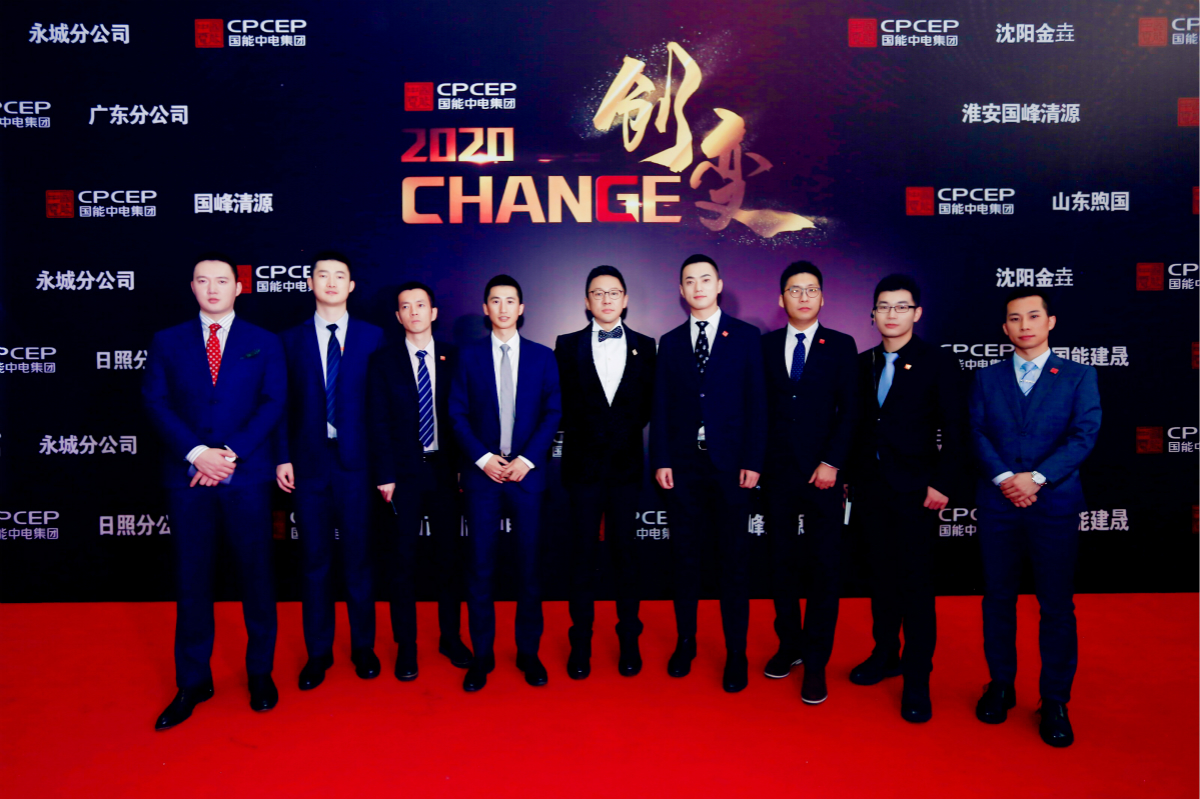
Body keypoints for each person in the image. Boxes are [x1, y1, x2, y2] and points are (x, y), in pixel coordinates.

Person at [143, 253, 286, 730]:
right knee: (192, 581)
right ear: (192, 287)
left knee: (257, 579)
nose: (212, 288)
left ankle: (260, 673)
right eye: (202, 280)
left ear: (238, 287)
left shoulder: (264, 341)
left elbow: (273, 403)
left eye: (221, 281)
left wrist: (228, 454)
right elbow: (155, 402)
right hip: (187, 477)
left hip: (245, 477)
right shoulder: (167, 341)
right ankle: (192, 682)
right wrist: (196, 453)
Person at [970, 288, 1100, 747]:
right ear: (1004, 328)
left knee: (1056, 606)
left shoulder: (1079, 375)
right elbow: (976, 431)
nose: (1024, 325)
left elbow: (1084, 435)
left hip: (1055, 506)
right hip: (998, 503)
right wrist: (1007, 478)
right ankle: (1000, 684)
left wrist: (1038, 478)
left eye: (1033, 316)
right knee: (997, 599)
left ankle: (1055, 700)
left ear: (1050, 322)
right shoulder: (987, 377)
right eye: (1014, 318)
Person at [848, 274, 964, 723]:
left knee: (916, 587)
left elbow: (956, 429)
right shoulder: (863, 362)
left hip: (917, 492)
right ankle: (885, 655)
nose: (891, 314)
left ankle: (917, 679)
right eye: (883, 306)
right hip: (871, 490)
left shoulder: (937, 362)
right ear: (872, 314)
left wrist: (943, 483)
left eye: (901, 307)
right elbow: (856, 426)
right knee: (880, 580)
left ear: (917, 313)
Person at [651, 254, 767, 693]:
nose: (697, 287)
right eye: (689, 281)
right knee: (685, 560)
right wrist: (661, 458)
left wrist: (753, 461)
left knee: (734, 563)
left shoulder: (746, 336)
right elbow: (661, 406)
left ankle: (736, 653)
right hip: (684, 468)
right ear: (681, 290)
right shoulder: (670, 342)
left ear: (719, 285)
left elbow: (758, 403)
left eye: (705, 279)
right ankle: (686, 643)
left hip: (732, 468)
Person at [276, 252, 385, 690]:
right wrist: (282, 456)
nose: (332, 282)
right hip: (309, 464)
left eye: (340, 275)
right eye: (323, 275)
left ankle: (363, 647)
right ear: (310, 282)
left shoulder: (374, 337)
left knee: (359, 560)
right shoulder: (289, 339)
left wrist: (385, 467)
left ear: (351, 285)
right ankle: (318, 652)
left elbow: (384, 409)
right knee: (314, 562)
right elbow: (279, 405)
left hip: (358, 465)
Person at [449, 275, 562, 692]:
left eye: (510, 301)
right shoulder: (467, 357)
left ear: (521, 308)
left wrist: (527, 460)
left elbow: (553, 412)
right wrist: (483, 459)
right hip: (483, 478)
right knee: (480, 568)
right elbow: (456, 413)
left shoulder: (542, 357)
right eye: (495, 301)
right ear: (485, 309)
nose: (502, 308)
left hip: (527, 478)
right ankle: (482, 656)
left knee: (529, 568)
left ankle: (528, 653)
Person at [760, 261, 858, 704]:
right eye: (794, 290)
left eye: (811, 289)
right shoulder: (763, 346)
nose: (803, 296)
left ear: (822, 297)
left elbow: (851, 411)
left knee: (823, 567)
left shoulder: (840, 345)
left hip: (824, 477)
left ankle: (816, 660)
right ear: (781, 298)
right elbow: (756, 409)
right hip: (777, 474)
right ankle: (790, 645)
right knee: (780, 564)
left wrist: (832, 462)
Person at [368, 281, 472, 681]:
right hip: (402, 476)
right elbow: (377, 421)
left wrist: (464, 467)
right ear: (398, 316)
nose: (414, 312)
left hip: (446, 473)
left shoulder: (455, 357)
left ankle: (450, 638)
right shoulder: (383, 361)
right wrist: (385, 474)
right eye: (405, 306)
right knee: (402, 563)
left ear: (434, 312)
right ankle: (406, 646)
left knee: (449, 560)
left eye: (420, 305)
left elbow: (465, 416)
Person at [555, 265, 656, 679]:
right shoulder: (566, 345)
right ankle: (580, 643)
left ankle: (629, 640)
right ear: (587, 301)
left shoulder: (646, 346)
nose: (606, 299)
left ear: (625, 299)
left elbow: (647, 408)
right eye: (598, 293)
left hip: (627, 471)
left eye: (614, 293)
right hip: (582, 470)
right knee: (582, 557)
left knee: (626, 558)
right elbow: (560, 405)